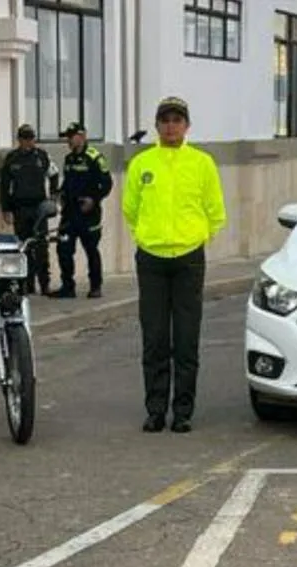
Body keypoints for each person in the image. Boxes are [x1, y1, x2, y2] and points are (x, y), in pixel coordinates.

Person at [122, 96, 227, 434]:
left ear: (187, 125)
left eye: (177, 120)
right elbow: (130, 208)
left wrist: (196, 238)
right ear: (157, 126)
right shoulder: (143, 163)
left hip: (188, 260)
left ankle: (183, 411)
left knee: (185, 338)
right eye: (165, 120)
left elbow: (215, 210)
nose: (171, 126)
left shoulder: (202, 163)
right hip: (151, 259)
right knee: (154, 338)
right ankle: (155, 410)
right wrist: (147, 235)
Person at [49, 122, 113, 299]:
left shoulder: (95, 157)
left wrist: (93, 199)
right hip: (70, 213)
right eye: (67, 137)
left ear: (82, 136)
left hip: (88, 214)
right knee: (64, 249)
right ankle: (67, 287)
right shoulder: (69, 159)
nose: (68, 140)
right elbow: (68, 183)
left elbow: (107, 184)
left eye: (71, 137)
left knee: (91, 250)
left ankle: (95, 286)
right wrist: (60, 193)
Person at [0, 124, 60, 295]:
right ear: (19, 140)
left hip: (39, 208)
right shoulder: (12, 159)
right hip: (20, 208)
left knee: (41, 247)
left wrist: (54, 196)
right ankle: (27, 284)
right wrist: (6, 209)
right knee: (23, 247)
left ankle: (45, 283)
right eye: (25, 138)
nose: (29, 142)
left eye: (31, 138)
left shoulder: (42, 156)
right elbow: (4, 186)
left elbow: (54, 174)